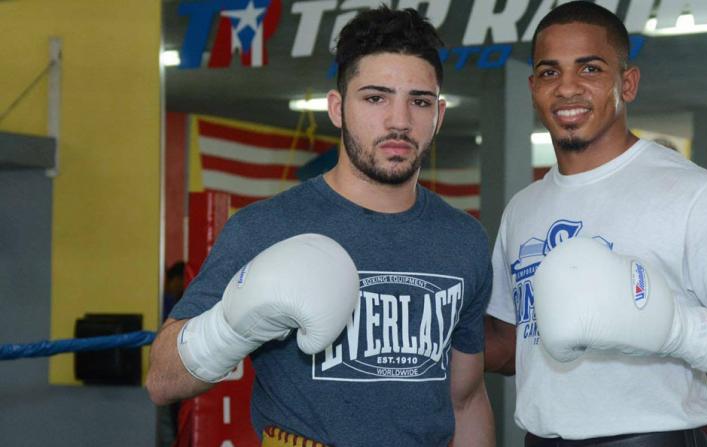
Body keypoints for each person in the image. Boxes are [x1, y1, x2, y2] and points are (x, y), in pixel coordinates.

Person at [146, 7, 494, 447]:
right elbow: (162, 381)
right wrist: (232, 328)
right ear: (337, 108)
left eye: (419, 101)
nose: (399, 121)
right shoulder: (267, 227)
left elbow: (466, 400)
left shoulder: (463, 239)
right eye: (375, 98)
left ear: (439, 114)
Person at [483, 2, 707, 446]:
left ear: (628, 83)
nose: (567, 87)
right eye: (549, 72)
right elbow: (512, 346)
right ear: (533, 87)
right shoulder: (523, 207)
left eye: (590, 69)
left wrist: (673, 329)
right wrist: (428, 325)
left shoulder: (694, 194)